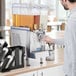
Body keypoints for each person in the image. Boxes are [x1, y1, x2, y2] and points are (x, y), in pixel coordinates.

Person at [43, 0, 76, 76]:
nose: (60, 2)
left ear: (65, 0)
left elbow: (73, 50)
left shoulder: (73, 20)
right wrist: (52, 40)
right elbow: (69, 40)